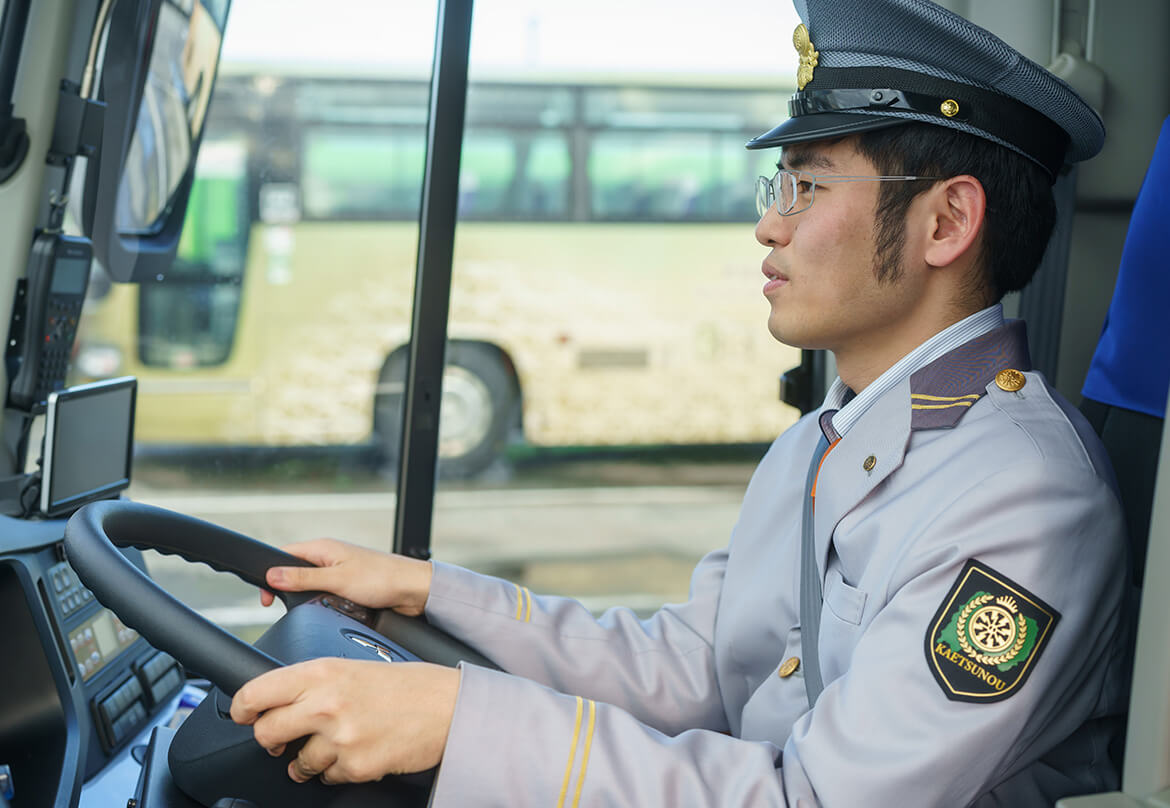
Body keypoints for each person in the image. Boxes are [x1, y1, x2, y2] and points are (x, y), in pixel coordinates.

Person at [229, 0, 1130, 804]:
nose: (769, 224)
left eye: (809, 185)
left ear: (946, 223)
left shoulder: (1024, 496)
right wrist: (427, 595)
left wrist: (462, 723)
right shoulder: (825, 439)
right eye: (780, 186)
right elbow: (692, 667)